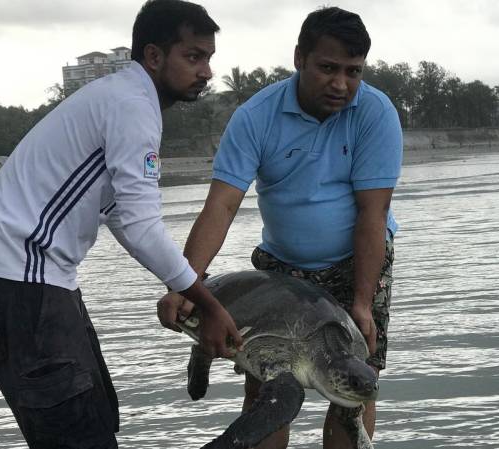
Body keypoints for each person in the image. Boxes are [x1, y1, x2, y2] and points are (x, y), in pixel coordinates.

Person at [0, 1, 243, 447]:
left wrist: (181, 284)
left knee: (97, 416)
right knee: (80, 436)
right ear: (155, 56)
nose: (205, 71)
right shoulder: (131, 105)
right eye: (194, 57)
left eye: (209, 59)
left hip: (29, 279)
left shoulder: (124, 98)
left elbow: (122, 214)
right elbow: (142, 225)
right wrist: (210, 304)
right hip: (23, 282)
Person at [158, 6, 403, 448]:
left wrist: (362, 304)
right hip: (282, 269)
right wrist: (184, 283)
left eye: (353, 71)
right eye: (328, 68)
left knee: (354, 391)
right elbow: (222, 205)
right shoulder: (256, 116)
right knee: (267, 388)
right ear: (299, 58)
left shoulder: (375, 112)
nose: (341, 84)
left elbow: (373, 214)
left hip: (358, 264)